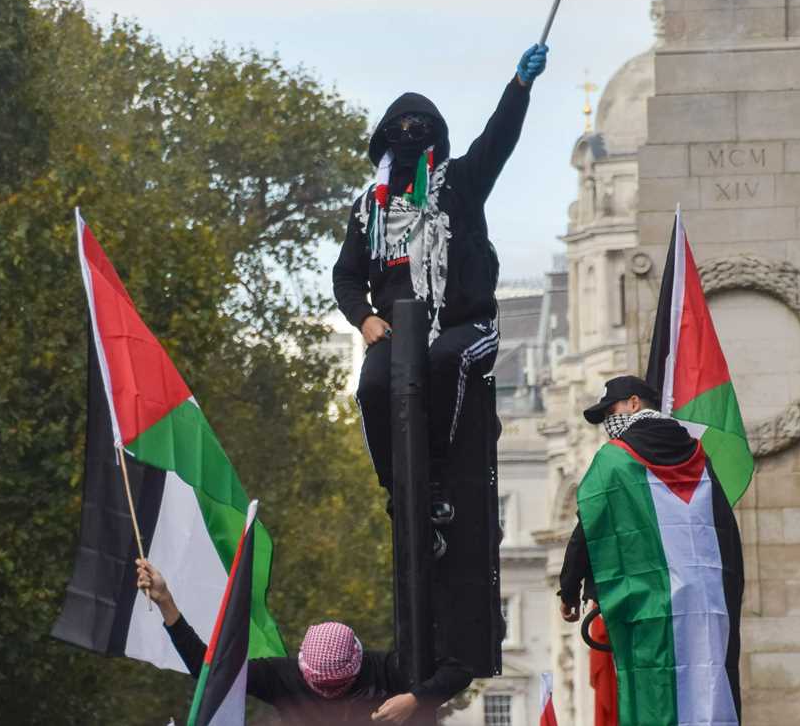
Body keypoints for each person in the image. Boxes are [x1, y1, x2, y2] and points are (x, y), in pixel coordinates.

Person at [332, 44, 548, 555]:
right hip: (397, 330)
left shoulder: (460, 185)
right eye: (399, 129)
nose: (409, 136)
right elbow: (345, 276)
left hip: (464, 324)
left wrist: (519, 86)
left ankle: (437, 478)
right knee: (373, 386)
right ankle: (400, 487)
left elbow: (498, 139)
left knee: (445, 360)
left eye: (419, 127)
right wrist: (364, 319)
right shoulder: (370, 208)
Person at [558, 376, 744, 726]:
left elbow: (590, 528)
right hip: (707, 601)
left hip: (651, 602)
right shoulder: (699, 455)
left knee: (654, 691)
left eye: (608, 412)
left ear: (633, 403)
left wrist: (572, 588)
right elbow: (723, 529)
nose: (607, 425)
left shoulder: (615, 459)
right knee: (710, 682)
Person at [137, 559, 470, 725]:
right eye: (319, 686)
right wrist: (167, 603)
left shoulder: (386, 669)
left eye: (337, 687)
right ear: (302, 667)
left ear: (358, 664)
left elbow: (459, 670)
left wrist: (413, 699)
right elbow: (208, 669)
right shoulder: (282, 677)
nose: (327, 694)